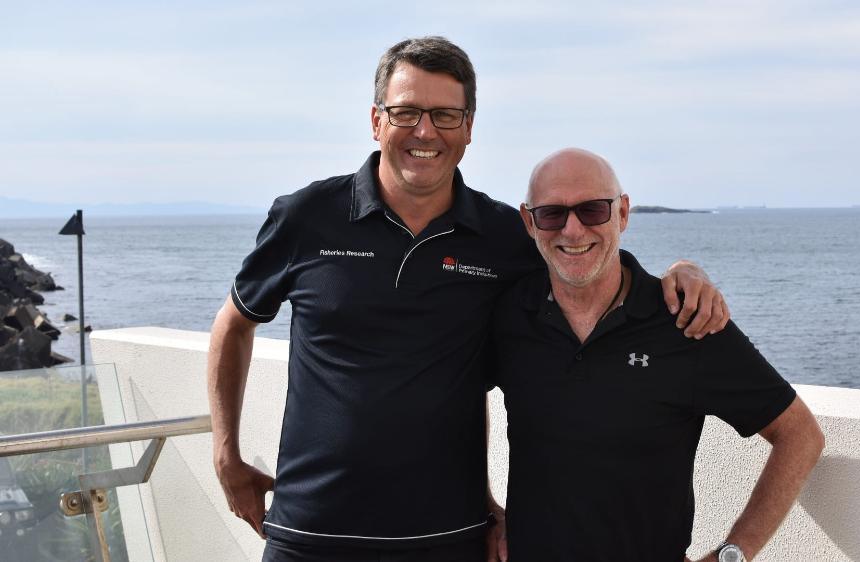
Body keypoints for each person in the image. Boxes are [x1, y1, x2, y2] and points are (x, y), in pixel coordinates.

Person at [207, 37, 730, 562]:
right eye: (406, 112)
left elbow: (588, 262)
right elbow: (234, 325)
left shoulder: (504, 236)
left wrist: (681, 272)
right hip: (310, 535)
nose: (425, 131)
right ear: (375, 120)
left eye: (445, 115)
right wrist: (226, 454)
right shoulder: (305, 217)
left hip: (451, 538)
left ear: (470, 127)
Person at [489, 148, 825, 562]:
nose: (572, 230)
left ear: (623, 213)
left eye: (593, 210)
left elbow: (800, 435)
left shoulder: (684, 320)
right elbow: (454, 396)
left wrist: (732, 554)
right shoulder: (508, 315)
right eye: (552, 214)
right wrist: (487, 511)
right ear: (529, 222)